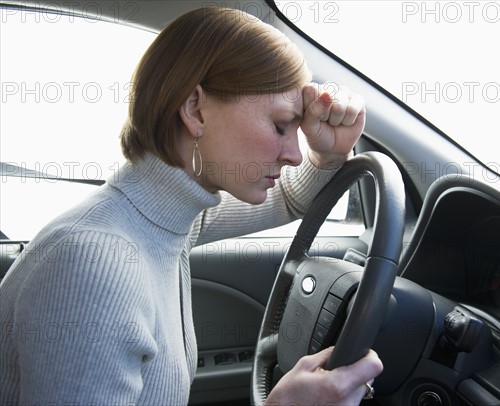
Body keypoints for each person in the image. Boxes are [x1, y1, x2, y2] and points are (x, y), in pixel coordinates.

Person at [0, 6, 383, 404]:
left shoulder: (168, 219)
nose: (294, 155)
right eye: (280, 126)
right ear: (195, 109)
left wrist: (328, 155)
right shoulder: (95, 264)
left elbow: (288, 198)